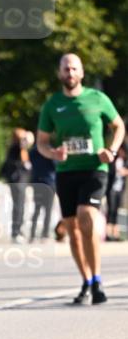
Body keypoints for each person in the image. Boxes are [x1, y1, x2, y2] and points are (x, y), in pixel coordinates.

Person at [36, 53, 125, 304]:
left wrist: (113, 150)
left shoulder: (97, 98)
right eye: (66, 69)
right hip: (66, 172)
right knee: (73, 231)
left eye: (74, 69)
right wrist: (53, 152)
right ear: (60, 73)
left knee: (87, 217)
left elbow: (118, 126)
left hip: (95, 169)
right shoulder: (52, 105)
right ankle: (86, 281)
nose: (70, 73)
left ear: (82, 73)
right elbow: (42, 142)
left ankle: (97, 281)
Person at [0, 128, 32, 242]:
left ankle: (17, 230)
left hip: (15, 180)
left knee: (19, 205)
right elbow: (24, 158)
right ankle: (16, 231)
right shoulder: (19, 146)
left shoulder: (12, 147)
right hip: (18, 181)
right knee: (19, 206)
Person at [28, 130, 56, 241]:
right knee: (46, 210)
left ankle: (33, 234)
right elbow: (55, 166)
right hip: (48, 182)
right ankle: (44, 234)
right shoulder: (50, 151)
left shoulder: (33, 151)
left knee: (37, 209)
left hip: (38, 182)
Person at [105, 140, 127, 241]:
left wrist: (124, 172)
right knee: (111, 210)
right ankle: (108, 233)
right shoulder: (113, 160)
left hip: (120, 188)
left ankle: (116, 233)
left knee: (116, 211)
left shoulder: (124, 162)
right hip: (111, 188)